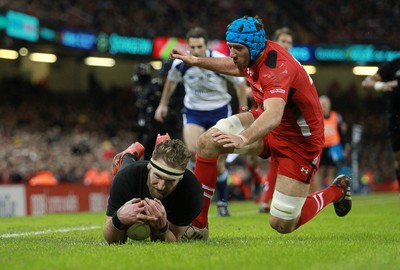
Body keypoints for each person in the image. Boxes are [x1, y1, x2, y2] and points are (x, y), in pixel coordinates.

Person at [169, 15, 352, 239]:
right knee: (208, 142)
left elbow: (274, 115)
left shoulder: (277, 68)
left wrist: (244, 138)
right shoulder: (254, 55)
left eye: (237, 48)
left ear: (253, 47)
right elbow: (236, 67)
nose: (232, 54)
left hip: (299, 140)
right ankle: (198, 226)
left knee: (283, 223)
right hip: (265, 119)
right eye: (230, 47)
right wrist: (197, 61)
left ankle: (336, 190)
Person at [155, 26, 249, 217]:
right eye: (192, 47)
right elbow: (171, 82)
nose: (195, 51)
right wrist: (162, 105)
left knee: (218, 160)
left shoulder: (219, 61)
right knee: (191, 151)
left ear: (206, 45)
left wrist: (243, 109)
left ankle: (222, 201)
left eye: (199, 46)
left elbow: (240, 84)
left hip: (219, 112)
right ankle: (195, 197)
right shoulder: (181, 63)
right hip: (194, 112)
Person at [103, 135, 203, 243]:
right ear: (149, 166)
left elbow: (174, 240)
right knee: (125, 166)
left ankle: (160, 150)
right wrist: (118, 218)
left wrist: (162, 228)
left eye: (170, 181)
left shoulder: (191, 191)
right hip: (133, 170)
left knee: (201, 234)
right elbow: (112, 239)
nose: (161, 186)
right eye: (158, 176)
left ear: (180, 178)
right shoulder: (126, 178)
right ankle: (128, 154)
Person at [257, 26, 295, 212]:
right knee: (276, 158)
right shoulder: (267, 63)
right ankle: (267, 199)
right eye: (283, 41)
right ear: (275, 42)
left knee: (278, 160)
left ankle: (268, 199)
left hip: (290, 121)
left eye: (289, 42)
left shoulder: (295, 65)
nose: (286, 45)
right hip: (273, 118)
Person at [361, 58, 400, 190]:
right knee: (398, 158)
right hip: (396, 118)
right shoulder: (392, 65)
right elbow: (366, 82)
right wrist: (381, 86)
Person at [311, 95, 350, 192]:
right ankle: (318, 193)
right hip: (320, 148)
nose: (323, 106)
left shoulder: (336, 116)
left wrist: (345, 146)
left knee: (331, 171)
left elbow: (342, 132)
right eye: (321, 104)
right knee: (319, 172)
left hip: (334, 148)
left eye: (325, 104)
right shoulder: (316, 117)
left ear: (329, 105)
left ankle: (330, 194)